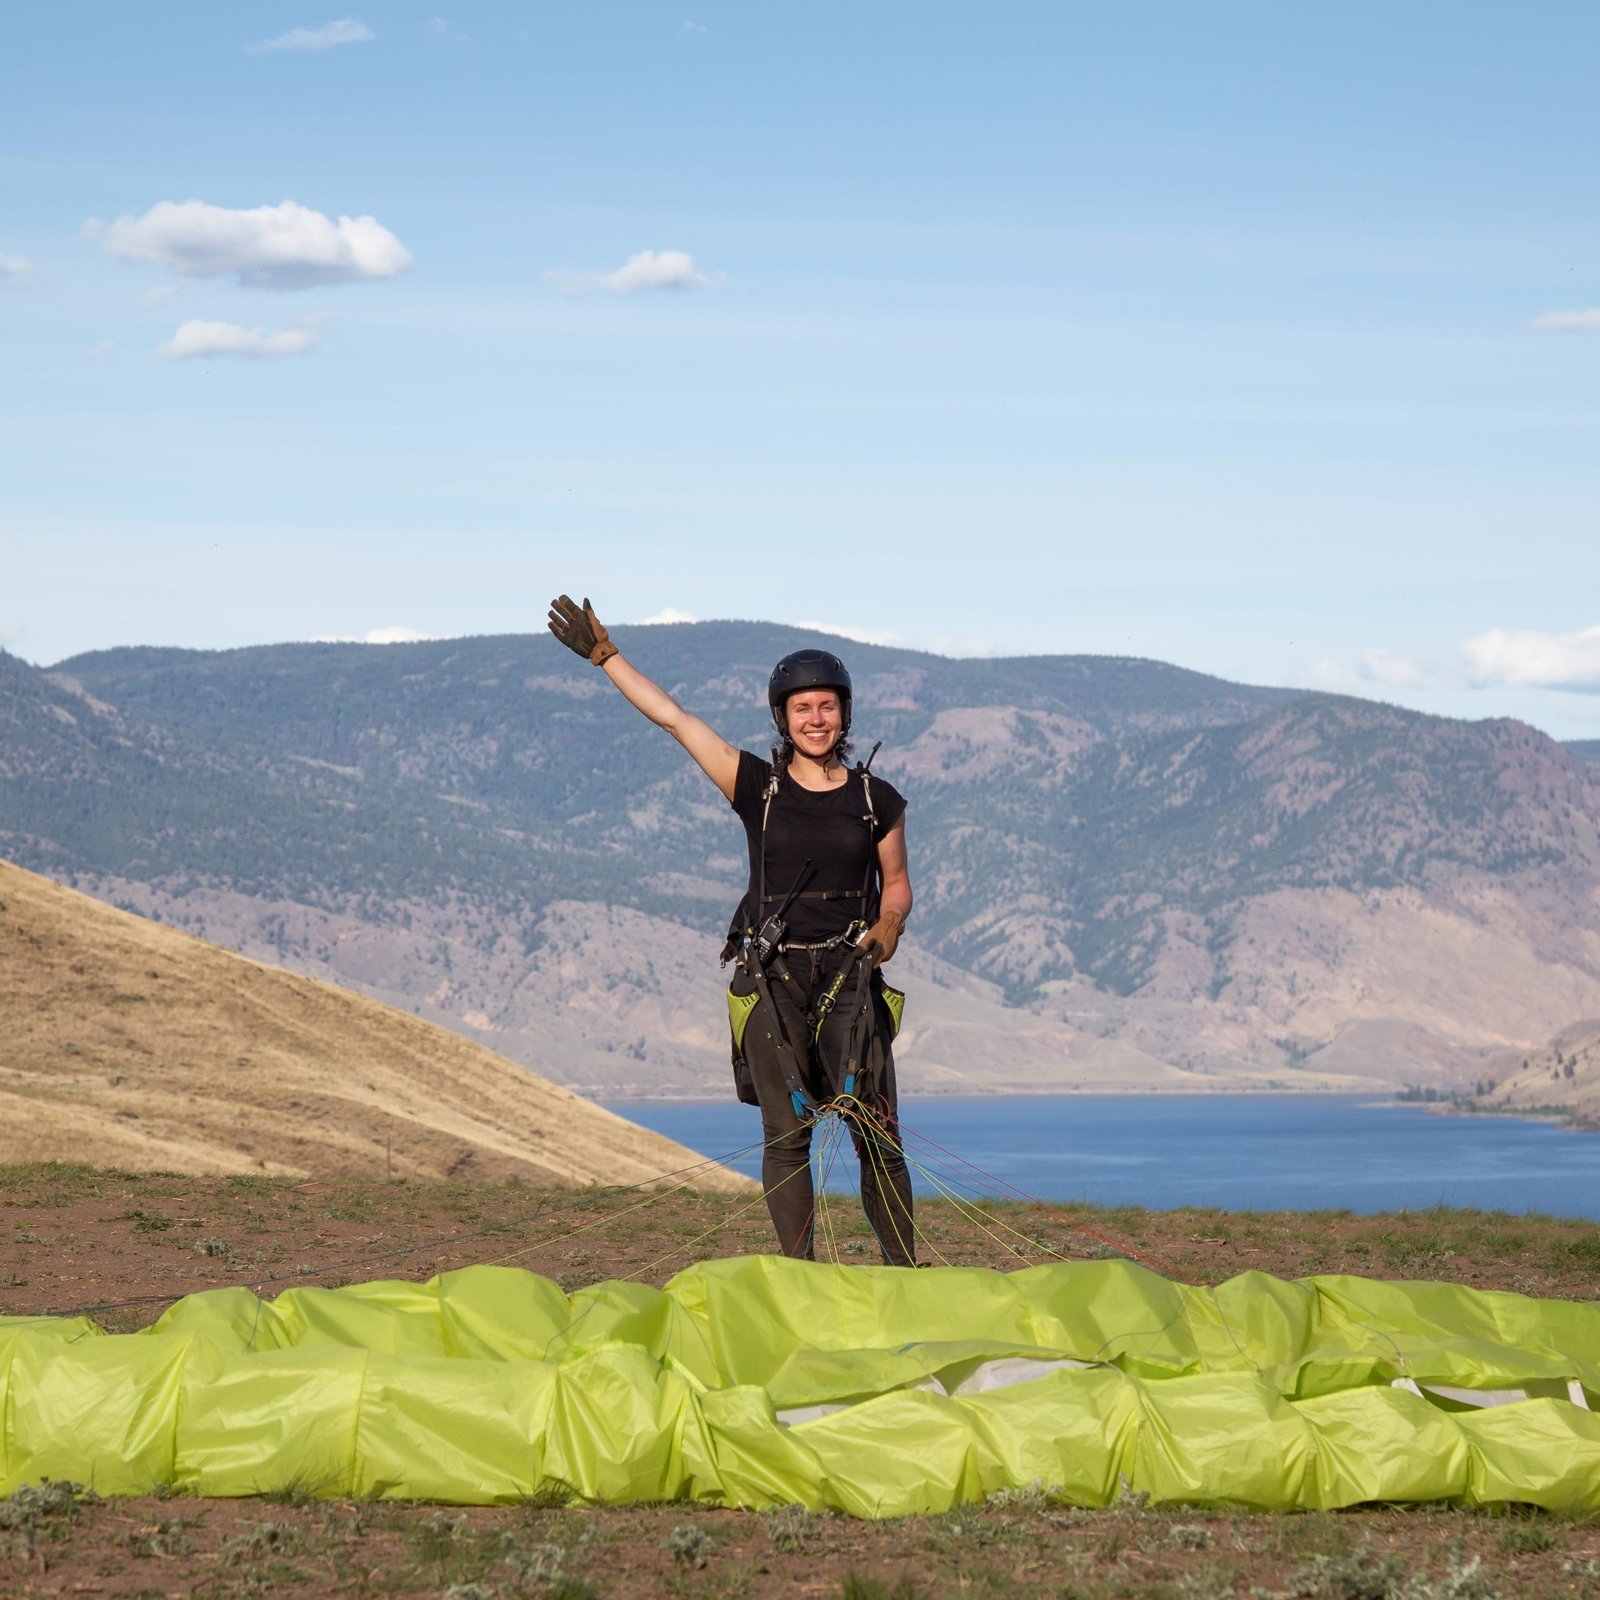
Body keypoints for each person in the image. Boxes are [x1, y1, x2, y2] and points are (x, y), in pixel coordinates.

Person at [546, 594, 917, 1265]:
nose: (815, 717)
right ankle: (798, 1278)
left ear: (845, 714)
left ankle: (906, 1272)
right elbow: (676, 721)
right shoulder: (758, 787)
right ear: (783, 716)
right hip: (773, 984)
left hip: (853, 980)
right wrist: (607, 658)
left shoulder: (876, 799)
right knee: (786, 1137)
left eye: (826, 705)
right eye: (801, 707)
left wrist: (887, 929)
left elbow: (897, 885)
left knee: (879, 1135)